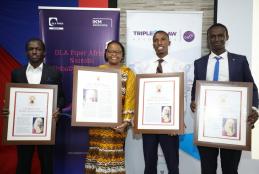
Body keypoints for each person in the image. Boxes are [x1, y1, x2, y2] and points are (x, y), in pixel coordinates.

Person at [190, 23, 259, 174]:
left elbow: (252, 88)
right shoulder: (199, 63)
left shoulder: (240, 61)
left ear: (227, 37)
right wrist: (193, 103)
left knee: (230, 169)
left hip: (232, 127)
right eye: (212, 36)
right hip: (206, 126)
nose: (216, 39)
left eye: (220, 35)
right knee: (207, 170)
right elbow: (196, 89)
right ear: (208, 39)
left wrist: (254, 109)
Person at [134, 30, 186, 174]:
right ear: (153, 44)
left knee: (172, 165)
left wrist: (179, 119)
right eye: (156, 40)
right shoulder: (143, 67)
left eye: (163, 39)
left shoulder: (179, 66)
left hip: (170, 124)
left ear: (169, 43)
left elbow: (183, 94)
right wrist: (138, 119)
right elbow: (138, 94)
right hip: (148, 123)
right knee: (149, 164)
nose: (159, 42)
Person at [11, 38, 65, 174]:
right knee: (23, 162)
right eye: (31, 49)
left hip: (46, 125)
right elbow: (13, 97)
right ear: (26, 53)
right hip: (22, 126)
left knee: (46, 162)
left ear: (44, 53)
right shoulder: (16, 73)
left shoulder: (54, 72)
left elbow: (62, 97)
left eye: (38, 49)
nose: (34, 51)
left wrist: (58, 108)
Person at [85, 41, 135, 174]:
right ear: (106, 53)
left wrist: (125, 123)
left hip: (116, 127)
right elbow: (90, 96)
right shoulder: (97, 71)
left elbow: (130, 100)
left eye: (118, 52)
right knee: (97, 157)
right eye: (111, 51)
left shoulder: (128, 73)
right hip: (97, 126)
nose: (114, 54)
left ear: (122, 55)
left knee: (112, 159)